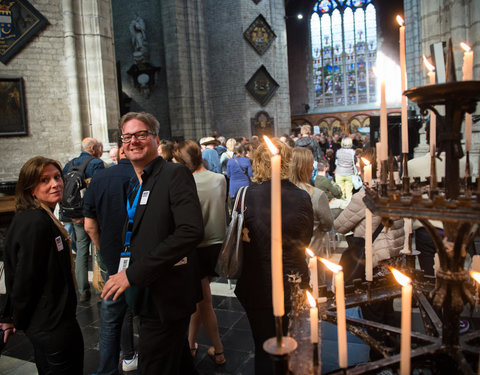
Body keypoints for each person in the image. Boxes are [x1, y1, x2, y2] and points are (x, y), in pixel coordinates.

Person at [101, 112, 204, 374]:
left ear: (156, 139)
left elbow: (190, 231)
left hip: (166, 296)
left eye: (141, 134)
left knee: (153, 366)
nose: (133, 141)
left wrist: (132, 273)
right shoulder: (138, 184)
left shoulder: (174, 173)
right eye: (127, 136)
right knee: (177, 363)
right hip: (147, 294)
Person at [235, 139, 313, 375]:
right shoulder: (301, 196)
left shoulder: (244, 195)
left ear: (257, 163)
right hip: (293, 280)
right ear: (287, 161)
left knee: (263, 346)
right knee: (294, 344)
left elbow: (238, 236)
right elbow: (305, 240)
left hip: (256, 281)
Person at [0, 156, 84, 373]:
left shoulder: (40, 216)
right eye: (44, 180)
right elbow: (23, 277)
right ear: (31, 189)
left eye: (57, 177)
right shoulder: (35, 221)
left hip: (52, 319)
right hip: (50, 323)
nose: (55, 184)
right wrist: (15, 317)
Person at [83, 143, 138, 374]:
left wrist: (102, 251)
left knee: (112, 317)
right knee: (150, 313)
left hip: (113, 257)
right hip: (144, 258)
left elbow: (89, 225)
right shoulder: (143, 177)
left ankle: (121, 360)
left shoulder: (99, 178)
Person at [172, 140, 227, 365]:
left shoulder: (183, 183)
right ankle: (191, 343)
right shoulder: (220, 179)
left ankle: (220, 350)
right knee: (199, 300)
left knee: (204, 302)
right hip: (217, 246)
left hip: (196, 247)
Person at [63, 137, 105, 301]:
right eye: (100, 148)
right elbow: (100, 190)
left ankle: (82, 290)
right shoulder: (96, 164)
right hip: (92, 215)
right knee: (97, 248)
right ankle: (100, 288)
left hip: (75, 215)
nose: (100, 151)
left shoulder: (70, 164)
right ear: (93, 148)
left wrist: (73, 215)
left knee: (80, 251)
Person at [290, 148, 333, 254]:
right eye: (311, 165)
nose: (313, 168)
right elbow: (327, 224)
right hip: (311, 251)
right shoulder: (317, 195)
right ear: (302, 168)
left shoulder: (279, 193)